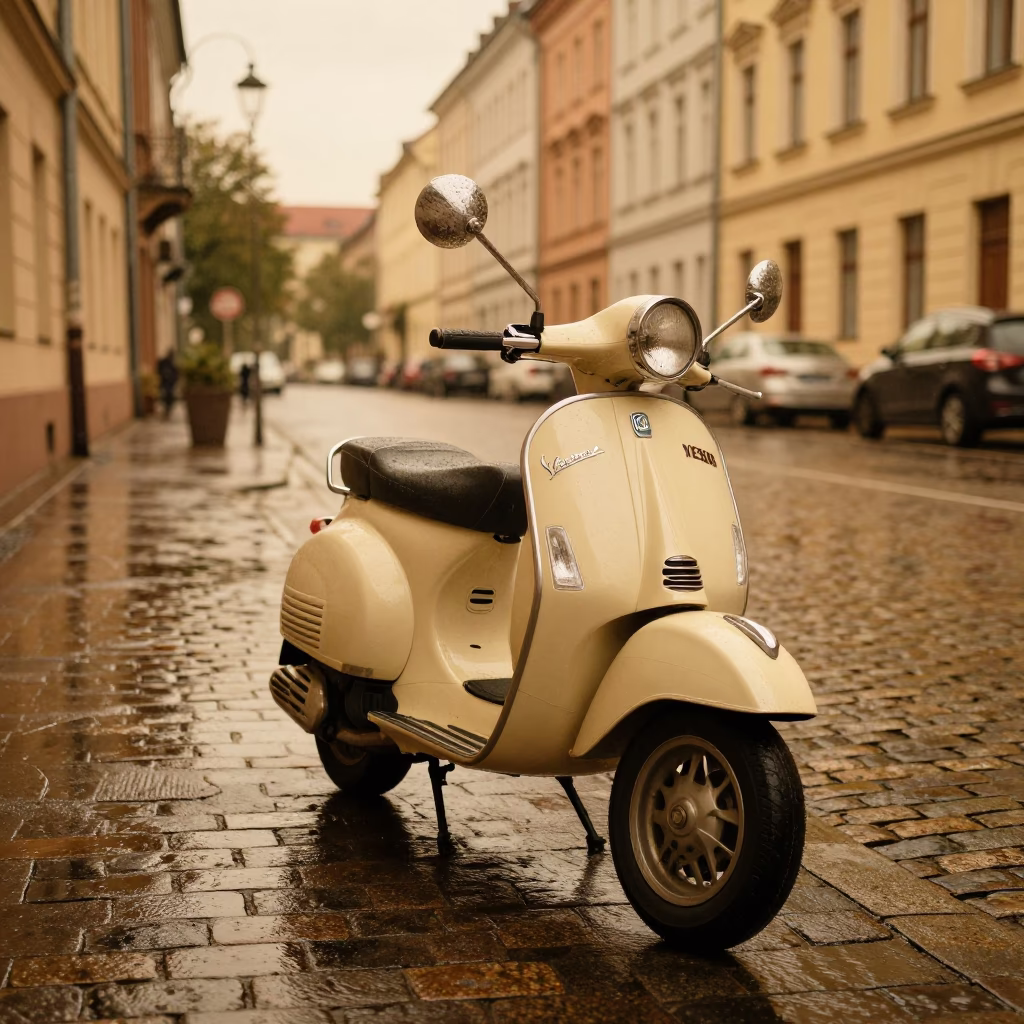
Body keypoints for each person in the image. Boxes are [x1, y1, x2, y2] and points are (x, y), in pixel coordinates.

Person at [157, 351, 178, 420]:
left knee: (169, 397)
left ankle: (168, 411)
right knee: (165, 397)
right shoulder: (164, 362)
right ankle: (166, 411)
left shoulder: (173, 363)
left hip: (170, 383)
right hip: (165, 383)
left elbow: (176, 374)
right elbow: (159, 371)